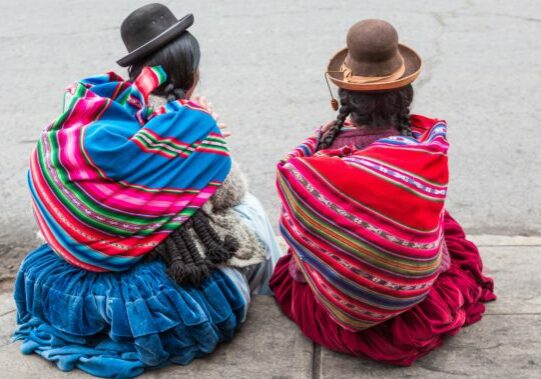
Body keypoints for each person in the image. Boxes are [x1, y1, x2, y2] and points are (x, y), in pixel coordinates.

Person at [12, 4, 281, 378]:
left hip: (73, 267)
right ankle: (269, 290)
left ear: (137, 69)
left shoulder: (99, 106)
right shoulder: (188, 124)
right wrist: (208, 140)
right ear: (191, 71)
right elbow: (227, 195)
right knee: (248, 209)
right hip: (148, 285)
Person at [269, 19, 496, 366]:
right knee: (441, 222)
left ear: (344, 97)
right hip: (413, 299)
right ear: (405, 95)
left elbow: (303, 244)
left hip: (334, 299)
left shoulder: (312, 162)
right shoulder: (423, 152)